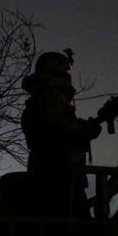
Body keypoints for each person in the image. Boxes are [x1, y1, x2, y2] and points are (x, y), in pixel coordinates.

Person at [21, 50, 102, 217]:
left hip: (52, 171)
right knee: (73, 224)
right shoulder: (50, 98)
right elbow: (63, 127)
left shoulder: (42, 97)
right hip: (58, 173)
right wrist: (89, 128)